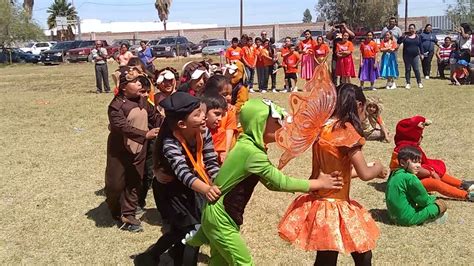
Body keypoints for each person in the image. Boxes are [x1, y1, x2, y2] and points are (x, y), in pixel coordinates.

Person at [185, 98, 344, 265]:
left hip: (220, 216)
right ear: (258, 122)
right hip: (221, 218)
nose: (280, 126)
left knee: (220, 263)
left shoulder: (247, 146)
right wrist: (319, 183)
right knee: (243, 263)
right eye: (276, 122)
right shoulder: (252, 153)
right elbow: (282, 183)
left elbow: (272, 184)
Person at [278, 83, 385, 266]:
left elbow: (334, 174)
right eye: (364, 108)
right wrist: (378, 168)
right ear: (358, 105)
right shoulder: (347, 133)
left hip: (320, 204)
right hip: (337, 206)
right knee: (362, 253)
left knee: (327, 258)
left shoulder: (322, 130)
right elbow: (366, 173)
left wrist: (358, 173)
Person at [135, 92, 221, 265]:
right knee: (192, 229)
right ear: (182, 124)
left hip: (193, 186)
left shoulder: (203, 133)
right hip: (171, 190)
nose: (204, 116)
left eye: (202, 112)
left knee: (181, 230)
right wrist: (206, 189)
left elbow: (211, 161)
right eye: (197, 115)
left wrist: (218, 180)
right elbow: (182, 172)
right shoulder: (170, 142)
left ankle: (152, 255)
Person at [105, 66, 162, 232]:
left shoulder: (143, 101)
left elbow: (155, 118)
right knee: (115, 184)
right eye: (134, 81)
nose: (139, 84)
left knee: (134, 180)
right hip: (119, 150)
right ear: (123, 86)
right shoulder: (116, 106)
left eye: (139, 80)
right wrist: (146, 134)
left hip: (139, 149)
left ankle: (128, 215)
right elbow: (122, 127)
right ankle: (115, 209)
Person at [389, 115, 474, 201]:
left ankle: (461, 184)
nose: (421, 137)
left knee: (436, 168)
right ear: (412, 135)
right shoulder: (404, 151)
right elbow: (416, 170)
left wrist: (432, 171)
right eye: (419, 134)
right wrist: (431, 173)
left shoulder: (408, 147)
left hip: (412, 179)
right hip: (407, 185)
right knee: (434, 183)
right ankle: (466, 195)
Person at [386, 146, 448, 226]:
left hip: (391, 216)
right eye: (414, 162)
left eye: (419, 162)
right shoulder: (410, 178)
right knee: (440, 205)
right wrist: (434, 199)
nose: (419, 165)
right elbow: (424, 201)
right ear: (402, 163)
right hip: (407, 219)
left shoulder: (394, 174)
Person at [202, 95, 236, 164]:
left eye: (222, 115)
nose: (220, 118)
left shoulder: (219, 132)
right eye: (217, 114)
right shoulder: (194, 129)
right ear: (204, 112)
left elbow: (216, 156)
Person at [398, 24, 423, 89]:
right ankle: (408, 83)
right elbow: (399, 42)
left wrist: (422, 54)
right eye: (410, 28)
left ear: (415, 29)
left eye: (412, 28)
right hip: (406, 56)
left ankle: (419, 82)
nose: (411, 30)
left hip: (415, 55)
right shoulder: (405, 36)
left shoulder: (418, 36)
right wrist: (402, 36)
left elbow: (420, 45)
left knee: (416, 69)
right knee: (408, 69)